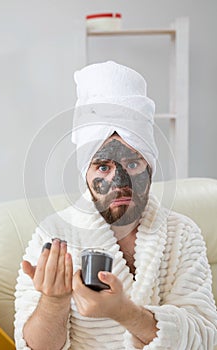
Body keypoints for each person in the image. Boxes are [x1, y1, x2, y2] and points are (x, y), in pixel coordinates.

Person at [14, 61, 217, 350]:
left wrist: (124, 312)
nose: (120, 182)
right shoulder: (53, 235)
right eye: (103, 167)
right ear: (85, 174)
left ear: (150, 167)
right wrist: (52, 302)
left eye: (132, 163)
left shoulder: (182, 234)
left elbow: (206, 337)